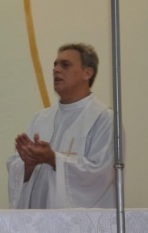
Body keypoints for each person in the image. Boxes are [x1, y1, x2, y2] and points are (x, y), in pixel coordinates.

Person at [7, 43, 114, 208]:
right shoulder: (41, 117)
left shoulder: (103, 118)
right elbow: (17, 170)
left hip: (79, 226)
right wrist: (28, 161)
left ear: (88, 73)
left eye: (65, 65)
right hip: (38, 220)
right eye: (55, 65)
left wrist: (53, 159)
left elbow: (101, 174)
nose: (56, 70)